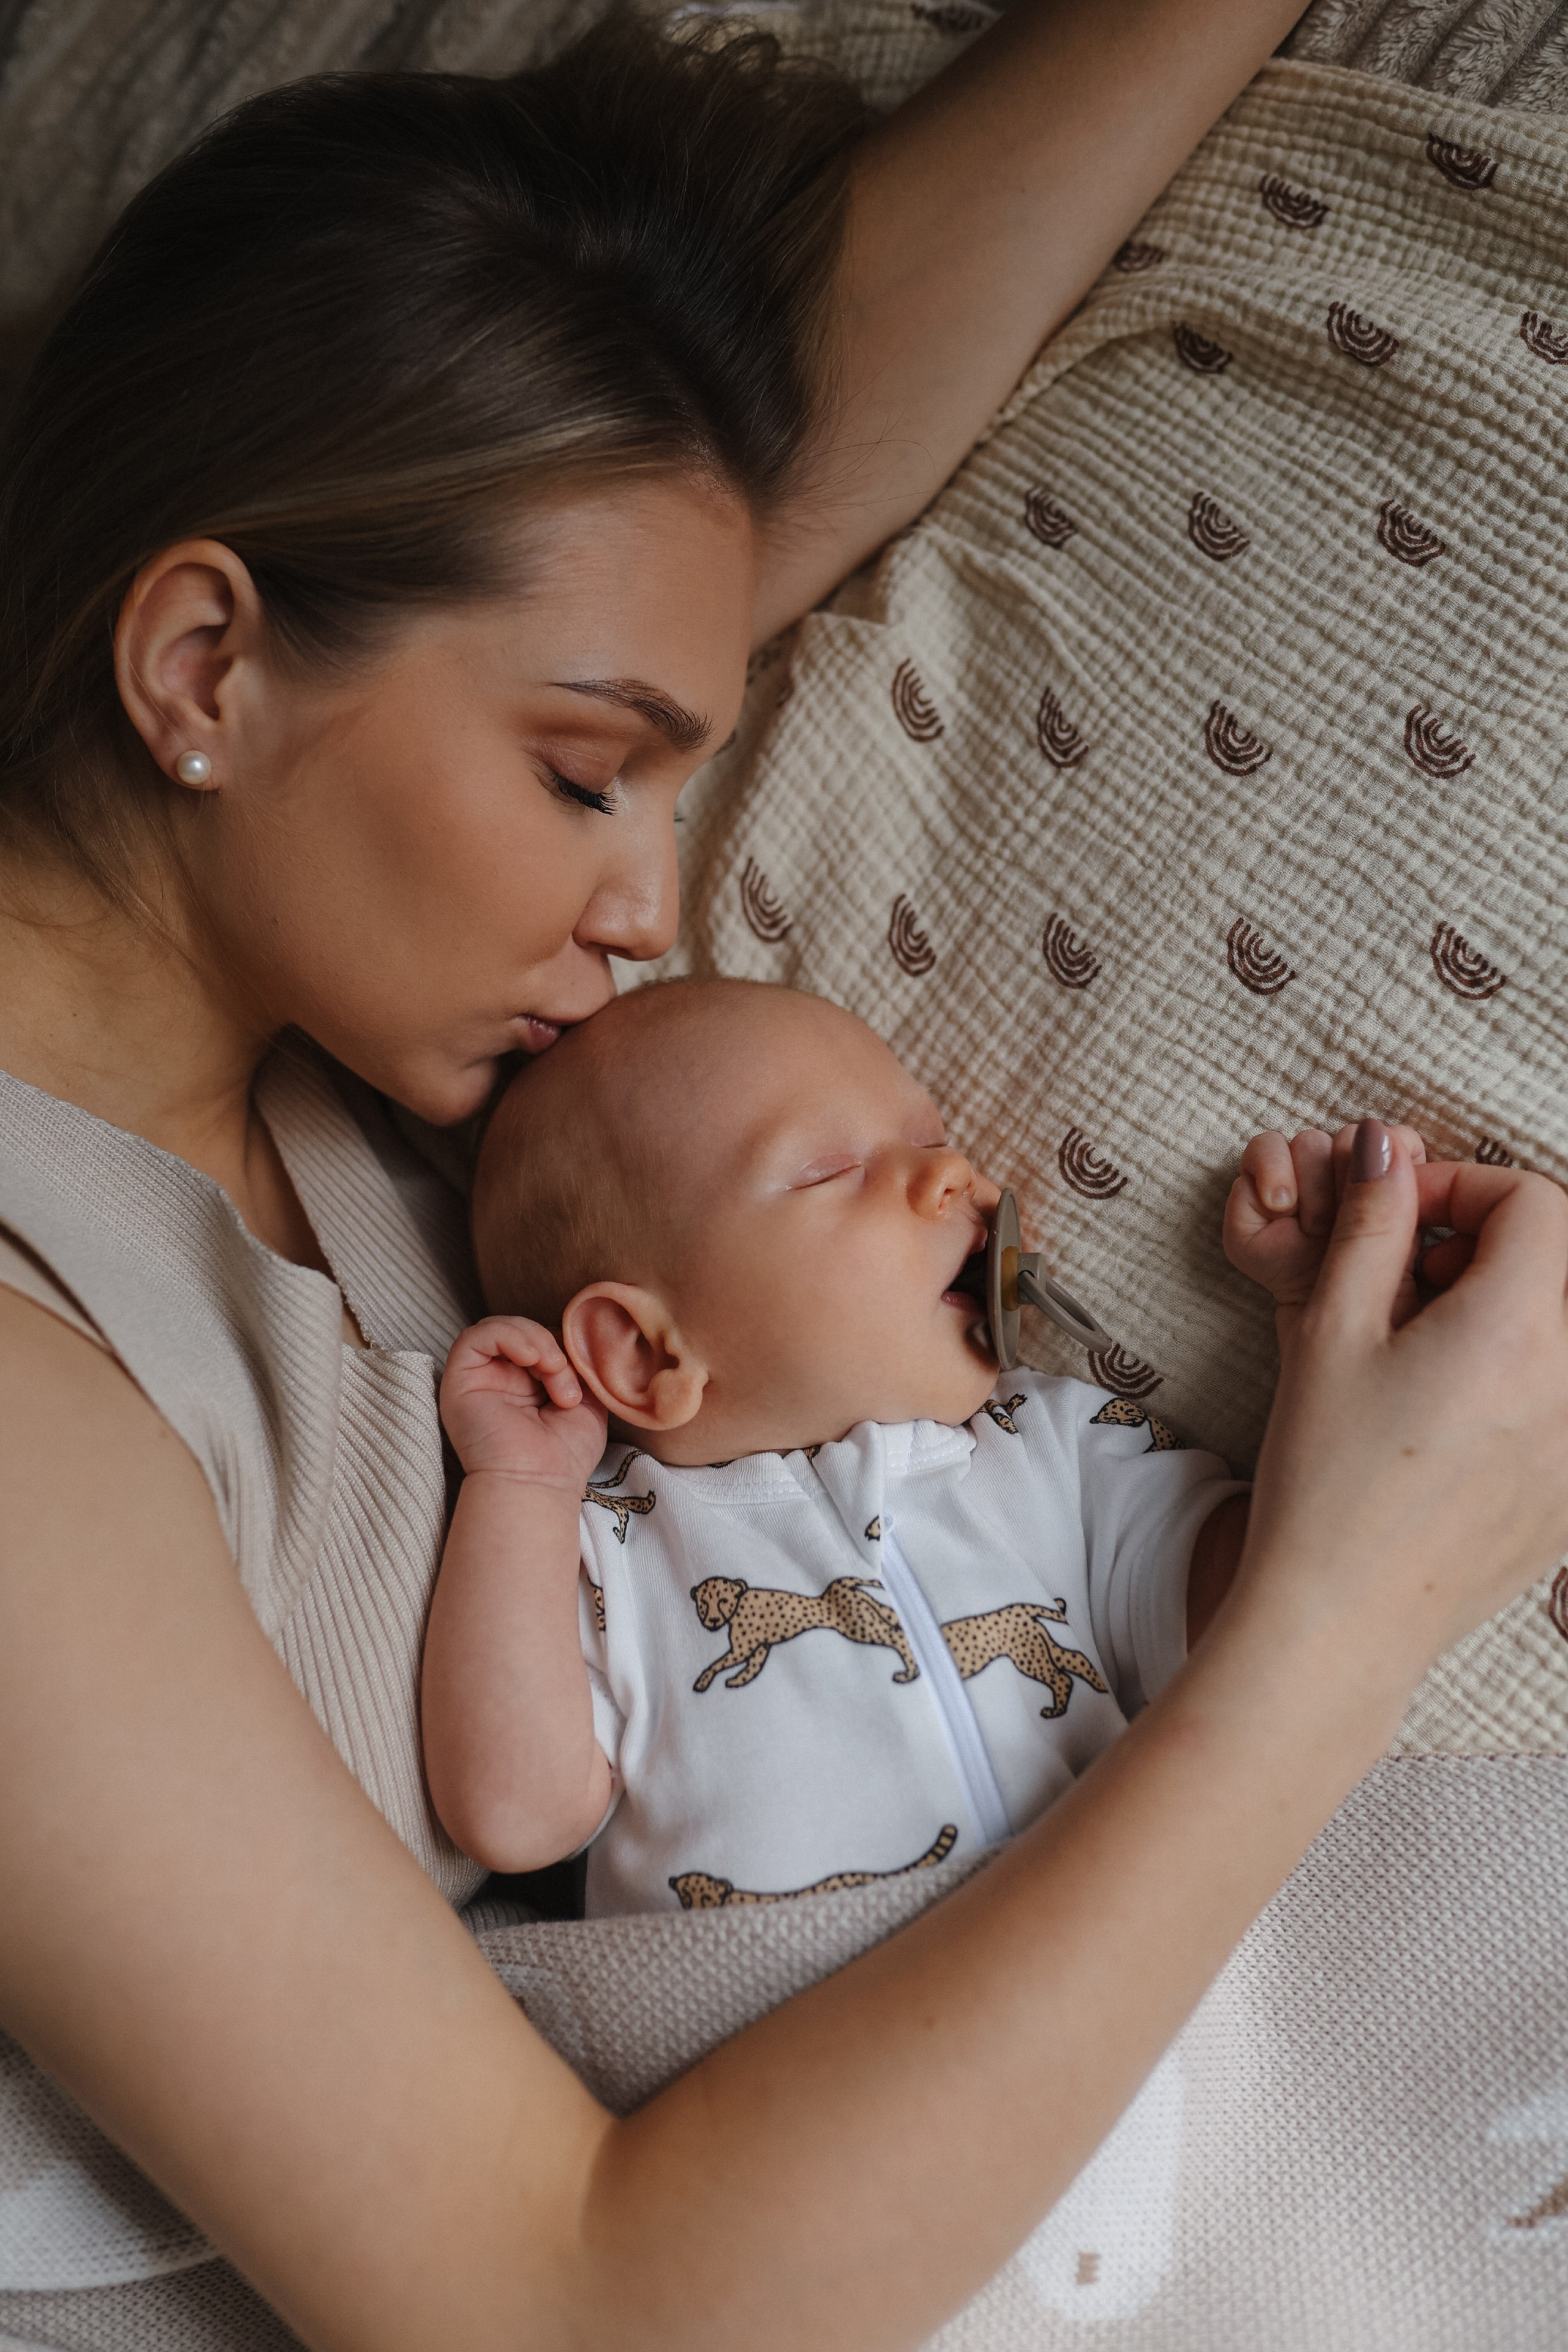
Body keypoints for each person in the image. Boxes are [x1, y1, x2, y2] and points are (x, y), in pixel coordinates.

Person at [1, 3, 1566, 2347]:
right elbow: (567, 2312)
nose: (649, 908)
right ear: (203, 662)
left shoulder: (375, 1042)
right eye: (581, 775)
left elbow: (740, 465)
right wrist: (1357, 1608)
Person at [423, 978, 1253, 1907]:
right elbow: (513, 1817)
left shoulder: (1054, 1448)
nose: (955, 1178)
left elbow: (1262, 1620)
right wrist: (523, 1488)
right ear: (648, 1353)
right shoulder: (606, 1551)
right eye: (830, 1169)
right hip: (776, 2047)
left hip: (1102, 2008)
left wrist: (1316, 1320)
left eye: (935, 1145)